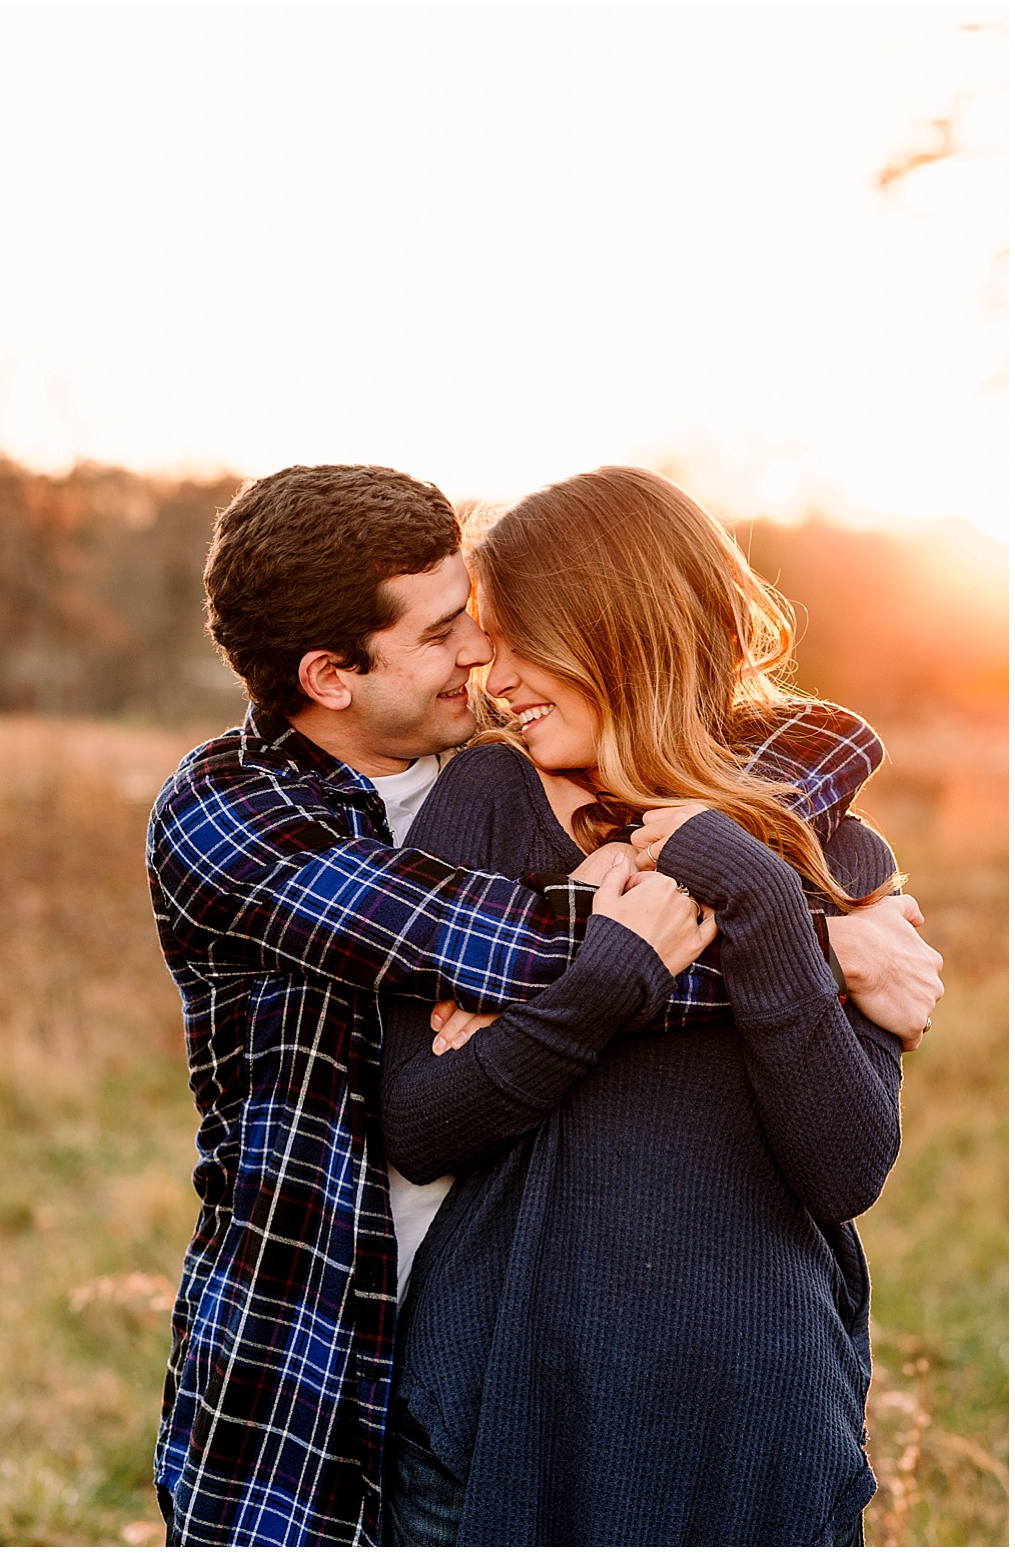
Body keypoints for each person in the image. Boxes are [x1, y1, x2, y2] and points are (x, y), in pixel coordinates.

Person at [144, 464, 942, 1546]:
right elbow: (453, 1070)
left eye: (496, 626)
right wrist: (806, 944)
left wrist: (761, 890)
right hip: (421, 1375)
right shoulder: (326, 811)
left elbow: (845, 1164)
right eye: (455, 633)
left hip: (750, 1403)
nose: (483, 664)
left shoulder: (799, 837)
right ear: (331, 674)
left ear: (618, 627)